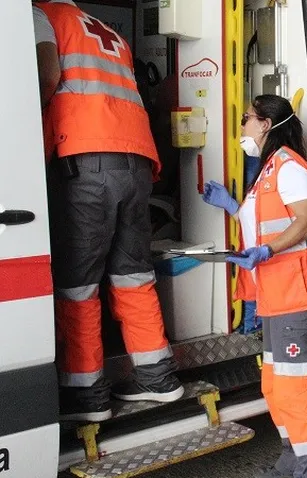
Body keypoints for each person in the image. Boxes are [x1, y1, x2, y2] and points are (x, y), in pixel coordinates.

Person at [33, 0, 184, 422]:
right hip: (135, 163)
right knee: (132, 274)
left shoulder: (42, 15)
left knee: (77, 283)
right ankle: (158, 378)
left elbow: (45, 78)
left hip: (84, 163)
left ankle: (85, 395)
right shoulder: (105, 31)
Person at [202, 94, 307, 478]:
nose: (242, 126)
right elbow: (263, 219)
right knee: (275, 387)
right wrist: (232, 206)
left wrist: (267, 250)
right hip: (278, 296)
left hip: (299, 295)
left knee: (296, 389)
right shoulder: (269, 169)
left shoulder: (289, 167)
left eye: (246, 118)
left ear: (265, 124)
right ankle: (293, 460)